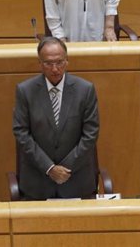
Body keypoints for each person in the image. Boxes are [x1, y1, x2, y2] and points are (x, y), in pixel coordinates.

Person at [12, 37, 100, 200]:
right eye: (48, 63)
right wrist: (50, 168)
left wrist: (64, 169)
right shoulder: (25, 91)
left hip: (76, 180)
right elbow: (21, 133)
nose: (54, 69)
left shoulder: (85, 90)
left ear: (67, 61)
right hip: (38, 184)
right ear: (40, 63)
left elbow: (91, 134)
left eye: (59, 62)